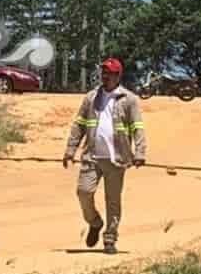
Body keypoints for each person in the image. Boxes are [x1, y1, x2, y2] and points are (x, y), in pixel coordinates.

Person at [62, 58, 146, 255]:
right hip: (91, 156)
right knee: (84, 192)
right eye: (104, 73)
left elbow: (138, 128)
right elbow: (79, 124)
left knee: (113, 200)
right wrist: (70, 149)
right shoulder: (91, 97)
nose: (105, 76)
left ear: (118, 76)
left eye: (110, 73)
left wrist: (140, 152)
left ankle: (110, 238)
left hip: (117, 159)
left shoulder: (129, 99)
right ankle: (95, 222)